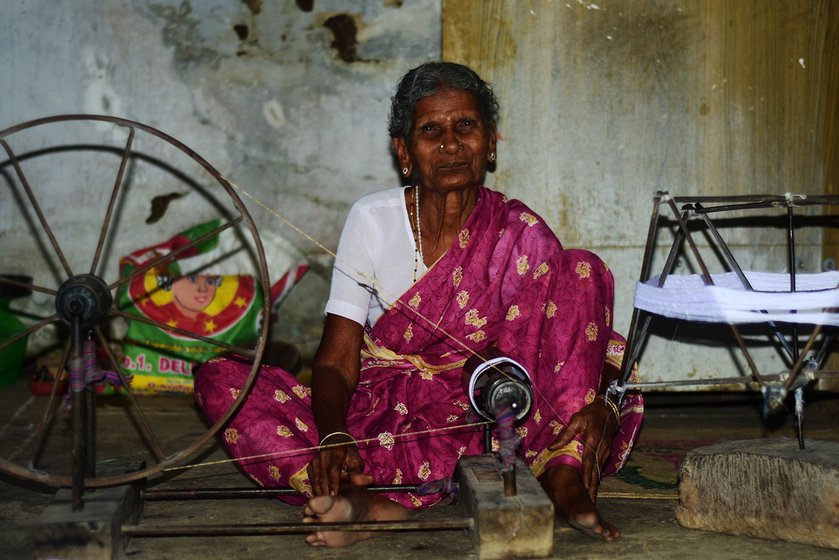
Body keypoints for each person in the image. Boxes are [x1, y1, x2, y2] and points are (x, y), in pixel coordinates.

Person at [194, 61, 643, 548]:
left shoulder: (520, 233)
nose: (450, 143)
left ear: (490, 142)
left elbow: (570, 340)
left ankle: (562, 472)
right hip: (380, 418)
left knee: (581, 268)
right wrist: (333, 436)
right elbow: (338, 358)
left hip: (480, 420)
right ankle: (370, 495)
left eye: (465, 126)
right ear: (405, 151)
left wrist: (602, 404)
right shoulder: (372, 219)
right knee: (221, 382)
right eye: (431, 130)